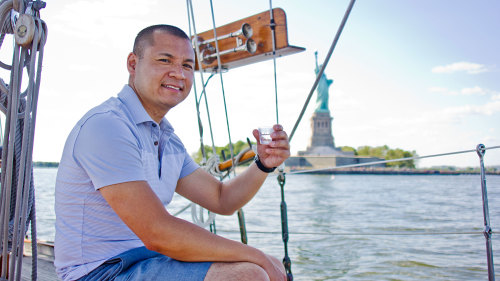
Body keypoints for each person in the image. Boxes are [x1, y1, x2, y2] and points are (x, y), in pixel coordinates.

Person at [54, 24, 290, 281]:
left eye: (188, 66)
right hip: (100, 272)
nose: (178, 73)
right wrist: (256, 256)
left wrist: (263, 164)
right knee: (250, 274)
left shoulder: (166, 139)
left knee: (267, 265)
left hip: (146, 261)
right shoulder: (107, 126)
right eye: (165, 60)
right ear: (133, 64)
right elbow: (157, 232)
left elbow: (222, 199)